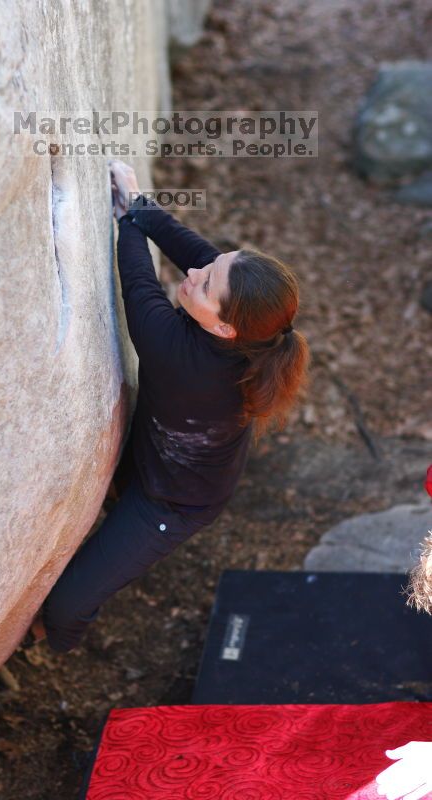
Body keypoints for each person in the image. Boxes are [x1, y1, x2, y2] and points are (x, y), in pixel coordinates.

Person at [28, 159, 310, 652]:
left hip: (172, 503)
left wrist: (127, 218)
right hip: (162, 451)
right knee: (120, 492)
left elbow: (138, 283)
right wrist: (138, 203)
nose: (195, 273)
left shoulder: (180, 358)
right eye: (212, 267)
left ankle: (47, 641)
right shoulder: (246, 324)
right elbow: (192, 250)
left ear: (224, 327)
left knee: (67, 604)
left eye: (206, 284)